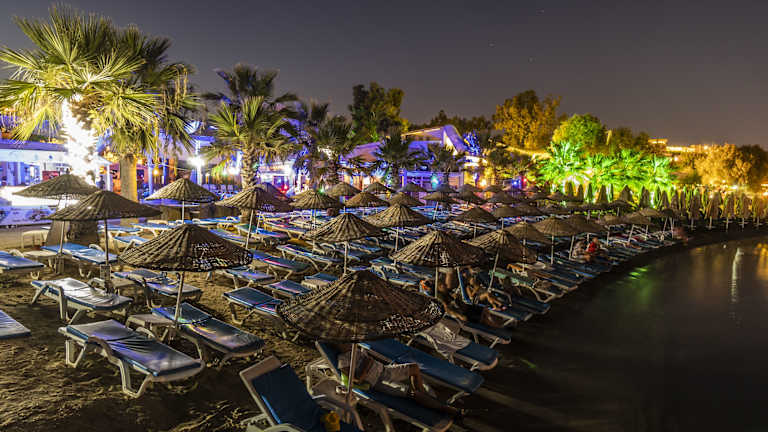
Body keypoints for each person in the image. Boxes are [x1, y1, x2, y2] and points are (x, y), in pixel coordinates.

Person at [337, 344, 461, 416]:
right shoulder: (343, 360)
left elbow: (370, 361)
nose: (348, 343)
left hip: (385, 370)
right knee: (413, 393)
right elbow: (356, 381)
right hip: (378, 381)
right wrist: (367, 366)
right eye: (344, 342)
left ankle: (426, 400)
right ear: (338, 345)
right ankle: (446, 409)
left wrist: (368, 362)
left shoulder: (355, 349)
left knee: (414, 368)